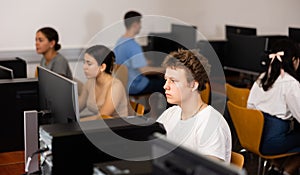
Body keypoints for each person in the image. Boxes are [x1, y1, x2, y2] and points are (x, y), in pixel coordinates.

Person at [157, 49, 232, 163]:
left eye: (173, 80)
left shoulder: (211, 124)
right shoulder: (170, 114)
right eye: (166, 80)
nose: (165, 86)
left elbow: (208, 170)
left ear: (193, 85)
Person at [247, 39, 300, 175]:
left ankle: (275, 169)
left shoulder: (262, 78)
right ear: (294, 60)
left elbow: (249, 107)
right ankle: (285, 172)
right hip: (273, 142)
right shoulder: (290, 83)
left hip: (254, 138)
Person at [113, 10, 165, 95]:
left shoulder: (120, 41)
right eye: (140, 23)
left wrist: (146, 62)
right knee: (164, 84)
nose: (141, 26)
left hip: (123, 83)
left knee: (155, 77)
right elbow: (144, 70)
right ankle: (163, 108)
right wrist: (164, 69)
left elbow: (130, 61)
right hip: (134, 85)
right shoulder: (133, 46)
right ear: (135, 24)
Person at [79, 45, 128, 120]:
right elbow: (78, 106)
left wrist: (77, 122)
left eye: (89, 64)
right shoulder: (90, 82)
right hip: (101, 127)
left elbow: (101, 117)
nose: (84, 67)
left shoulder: (115, 86)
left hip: (116, 129)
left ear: (102, 67)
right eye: (84, 63)